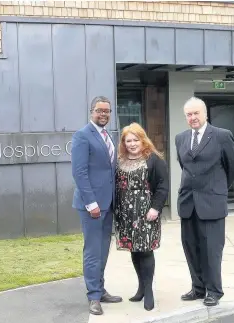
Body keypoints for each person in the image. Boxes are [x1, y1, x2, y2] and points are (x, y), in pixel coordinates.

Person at [174, 97, 234, 307]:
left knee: (212, 249)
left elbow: (233, 167)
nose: (193, 118)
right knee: (191, 247)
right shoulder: (181, 138)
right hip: (188, 203)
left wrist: (218, 189)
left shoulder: (221, 136)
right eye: (189, 114)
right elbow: (184, 167)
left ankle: (213, 290)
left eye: (196, 113)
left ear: (205, 114)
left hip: (212, 202)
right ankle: (198, 287)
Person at [71, 96, 123, 316]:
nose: (104, 114)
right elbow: (79, 172)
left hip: (107, 204)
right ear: (91, 111)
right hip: (91, 206)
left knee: (103, 250)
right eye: (100, 110)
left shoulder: (108, 136)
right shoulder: (83, 136)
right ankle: (93, 297)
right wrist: (91, 202)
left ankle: (100, 289)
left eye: (107, 111)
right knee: (93, 251)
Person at [114, 122, 169, 311]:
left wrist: (156, 208)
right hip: (126, 214)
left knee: (145, 250)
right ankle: (141, 288)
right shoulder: (120, 159)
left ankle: (149, 291)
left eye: (135, 139)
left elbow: (162, 185)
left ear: (142, 139)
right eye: (128, 140)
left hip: (146, 213)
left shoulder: (153, 159)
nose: (131, 144)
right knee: (134, 250)